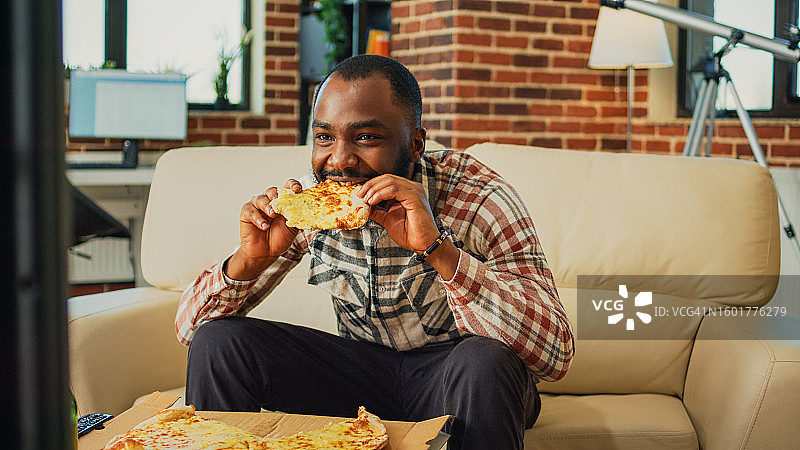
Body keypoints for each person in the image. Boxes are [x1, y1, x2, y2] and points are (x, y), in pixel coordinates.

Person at [175, 54, 574, 450]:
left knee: (484, 362)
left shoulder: (480, 196)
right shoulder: (306, 205)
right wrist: (251, 261)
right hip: (358, 379)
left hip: (458, 380)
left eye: (365, 137)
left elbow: (556, 354)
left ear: (415, 144)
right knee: (219, 342)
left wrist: (439, 251)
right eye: (324, 137)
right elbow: (188, 330)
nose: (339, 160)